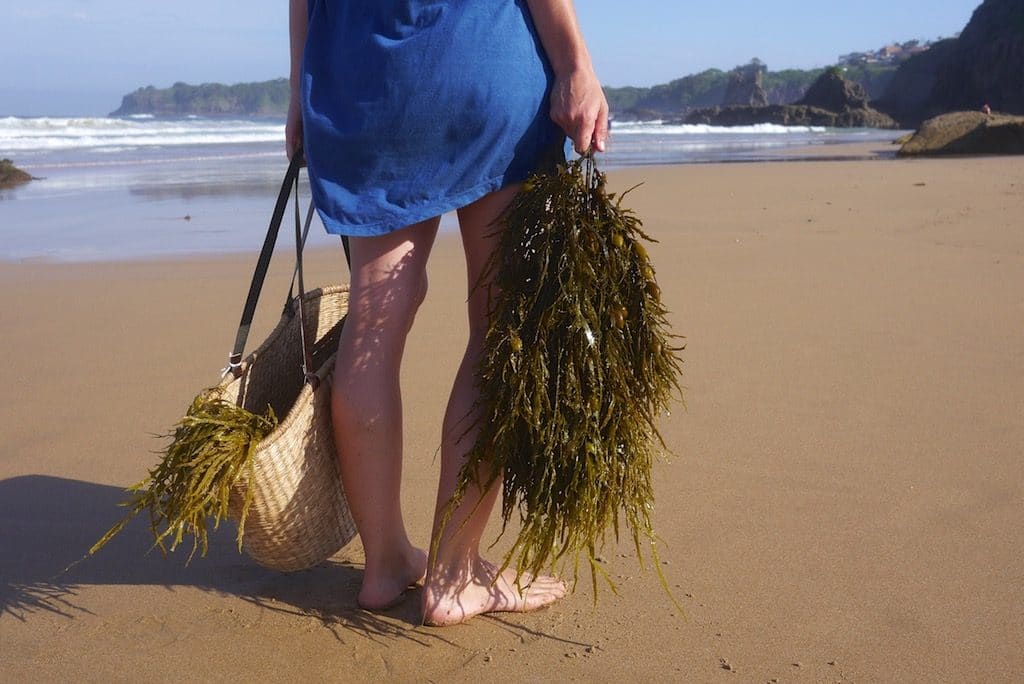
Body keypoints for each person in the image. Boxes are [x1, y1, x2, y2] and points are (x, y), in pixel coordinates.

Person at [285, 0, 609, 626]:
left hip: (361, 85)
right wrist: (576, 64)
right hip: (478, 62)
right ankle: (455, 574)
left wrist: (299, 86)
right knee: (500, 328)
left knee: (373, 327)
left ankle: (384, 565)